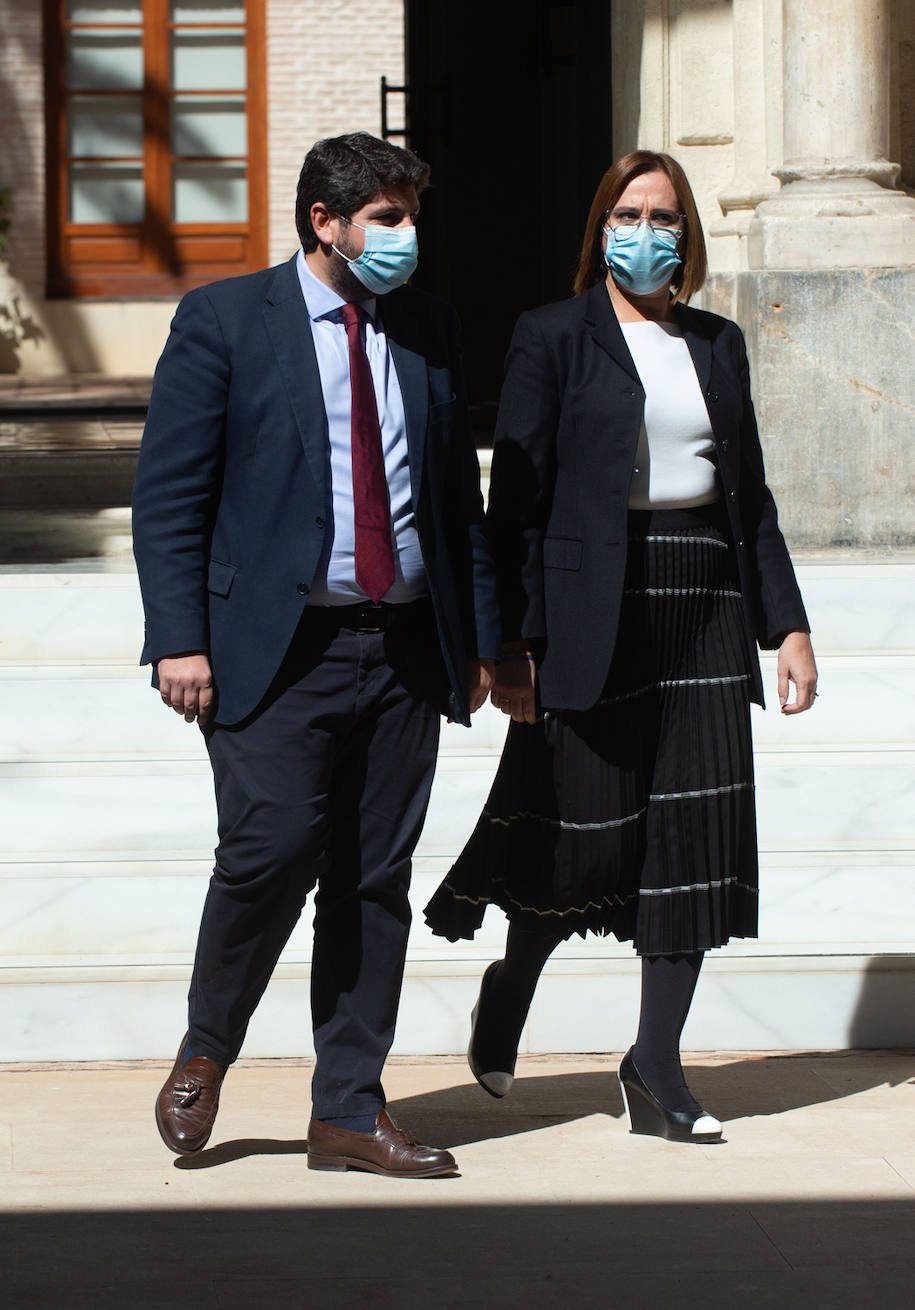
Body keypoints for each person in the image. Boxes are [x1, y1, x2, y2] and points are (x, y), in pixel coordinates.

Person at [424, 149, 817, 1143]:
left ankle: (655, 1067)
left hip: (707, 604)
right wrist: (507, 642)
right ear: (601, 225)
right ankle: (515, 978)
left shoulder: (719, 345)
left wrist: (789, 626)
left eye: (666, 215)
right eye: (631, 212)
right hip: (591, 606)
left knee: (693, 843)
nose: (648, 230)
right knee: (580, 835)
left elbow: (751, 498)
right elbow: (512, 502)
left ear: (687, 235)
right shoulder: (552, 338)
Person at [133, 131, 499, 1177]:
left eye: (412, 217)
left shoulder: (429, 327)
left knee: (374, 880)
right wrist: (179, 638)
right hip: (274, 650)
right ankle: (210, 1044)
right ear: (324, 223)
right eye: (386, 219)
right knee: (269, 852)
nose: (406, 238)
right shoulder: (225, 320)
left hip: (402, 644)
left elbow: (454, 502)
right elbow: (169, 495)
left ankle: (348, 1108)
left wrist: (473, 640)